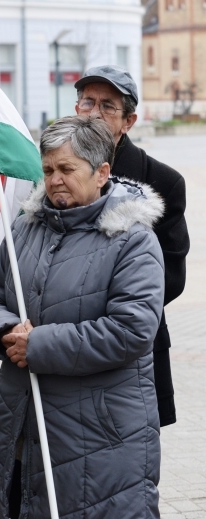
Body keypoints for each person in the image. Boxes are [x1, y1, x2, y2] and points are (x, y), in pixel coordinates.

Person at [0, 115, 164, 518]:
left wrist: (37, 345)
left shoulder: (133, 240)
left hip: (97, 434)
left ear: (101, 173)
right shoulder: (24, 228)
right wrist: (4, 330)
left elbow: (132, 330)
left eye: (67, 169)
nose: (55, 179)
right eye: (48, 170)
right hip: (19, 422)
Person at [74, 65, 189, 427]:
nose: (93, 113)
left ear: (129, 121)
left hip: (132, 348)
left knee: (128, 466)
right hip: (63, 348)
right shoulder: (55, 175)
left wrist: (94, 306)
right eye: (87, 102)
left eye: (107, 106)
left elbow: (170, 276)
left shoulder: (163, 182)